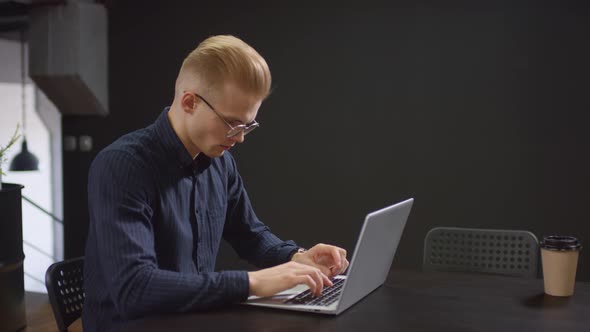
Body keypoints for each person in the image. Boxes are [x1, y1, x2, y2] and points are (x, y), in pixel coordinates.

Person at [82, 35, 349, 331]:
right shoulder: (122, 167)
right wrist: (254, 282)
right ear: (189, 102)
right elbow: (135, 289)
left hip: (194, 320)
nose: (240, 138)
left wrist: (297, 258)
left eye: (249, 125)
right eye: (232, 123)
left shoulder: (221, 163)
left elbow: (250, 234)